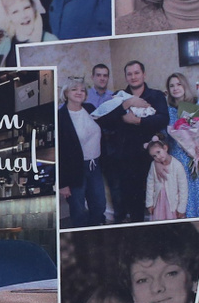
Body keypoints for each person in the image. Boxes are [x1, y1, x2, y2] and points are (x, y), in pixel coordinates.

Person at [100, 60, 170, 222]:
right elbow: (106, 120)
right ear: (125, 77)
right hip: (125, 156)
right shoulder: (119, 96)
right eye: (129, 74)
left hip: (149, 155)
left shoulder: (156, 95)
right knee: (131, 199)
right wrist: (128, 104)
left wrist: (138, 121)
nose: (133, 77)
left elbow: (163, 119)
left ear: (144, 74)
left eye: (137, 73)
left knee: (154, 197)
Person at [161, 74, 199, 219]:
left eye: (179, 84)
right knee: (184, 197)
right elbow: (164, 137)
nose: (175, 88)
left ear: (185, 86)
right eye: (171, 86)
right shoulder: (168, 111)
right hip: (180, 161)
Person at [58, 79, 107, 227]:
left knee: (99, 205)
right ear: (66, 93)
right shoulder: (60, 116)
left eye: (82, 90)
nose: (79, 92)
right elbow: (60, 152)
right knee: (78, 210)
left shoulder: (90, 108)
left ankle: (95, 234)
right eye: (74, 89)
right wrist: (62, 183)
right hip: (75, 170)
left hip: (95, 165)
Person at [145, 136, 188, 221]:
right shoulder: (153, 165)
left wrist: (181, 208)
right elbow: (150, 185)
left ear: (165, 148)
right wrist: (150, 203)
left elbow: (183, 188)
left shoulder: (177, 166)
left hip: (172, 204)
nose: (158, 157)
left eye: (158, 152)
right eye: (154, 156)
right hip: (158, 202)